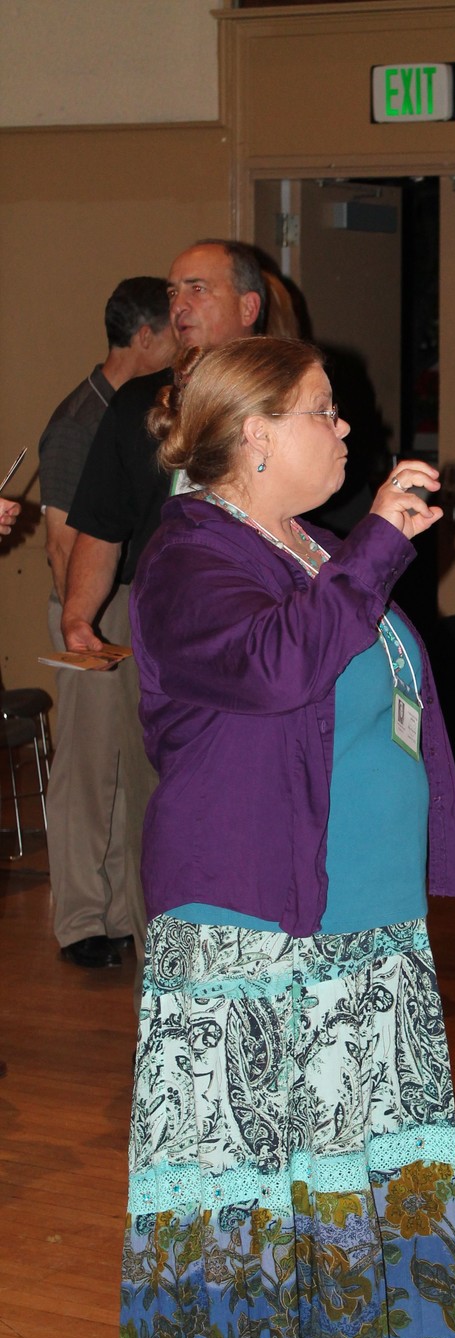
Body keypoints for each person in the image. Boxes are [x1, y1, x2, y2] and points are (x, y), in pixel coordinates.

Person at [113, 337, 455, 1338]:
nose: (345, 429)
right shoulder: (188, 555)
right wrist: (376, 549)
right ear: (256, 436)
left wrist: (364, 550)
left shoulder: (313, 544)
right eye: (323, 411)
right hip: (248, 902)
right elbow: (280, 667)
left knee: (363, 1132)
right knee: (239, 1151)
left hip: (361, 903)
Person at [62, 240, 267, 999]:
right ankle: (171, 992)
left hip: (258, 633)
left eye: (199, 289)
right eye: (175, 291)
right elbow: (100, 523)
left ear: (249, 306)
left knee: (248, 803)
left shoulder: (285, 392)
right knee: (162, 809)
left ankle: (254, 977)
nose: (180, 305)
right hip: (159, 634)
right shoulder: (137, 404)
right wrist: (79, 616)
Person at [41, 276, 176, 967]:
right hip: (88, 609)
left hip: (124, 602)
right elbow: (64, 544)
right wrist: (83, 624)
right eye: (174, 329)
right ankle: (80, 920)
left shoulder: (144, 406)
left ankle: (121, 913)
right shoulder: (81, 419)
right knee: (88, 771)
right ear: (145, 336)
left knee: (126, 767)